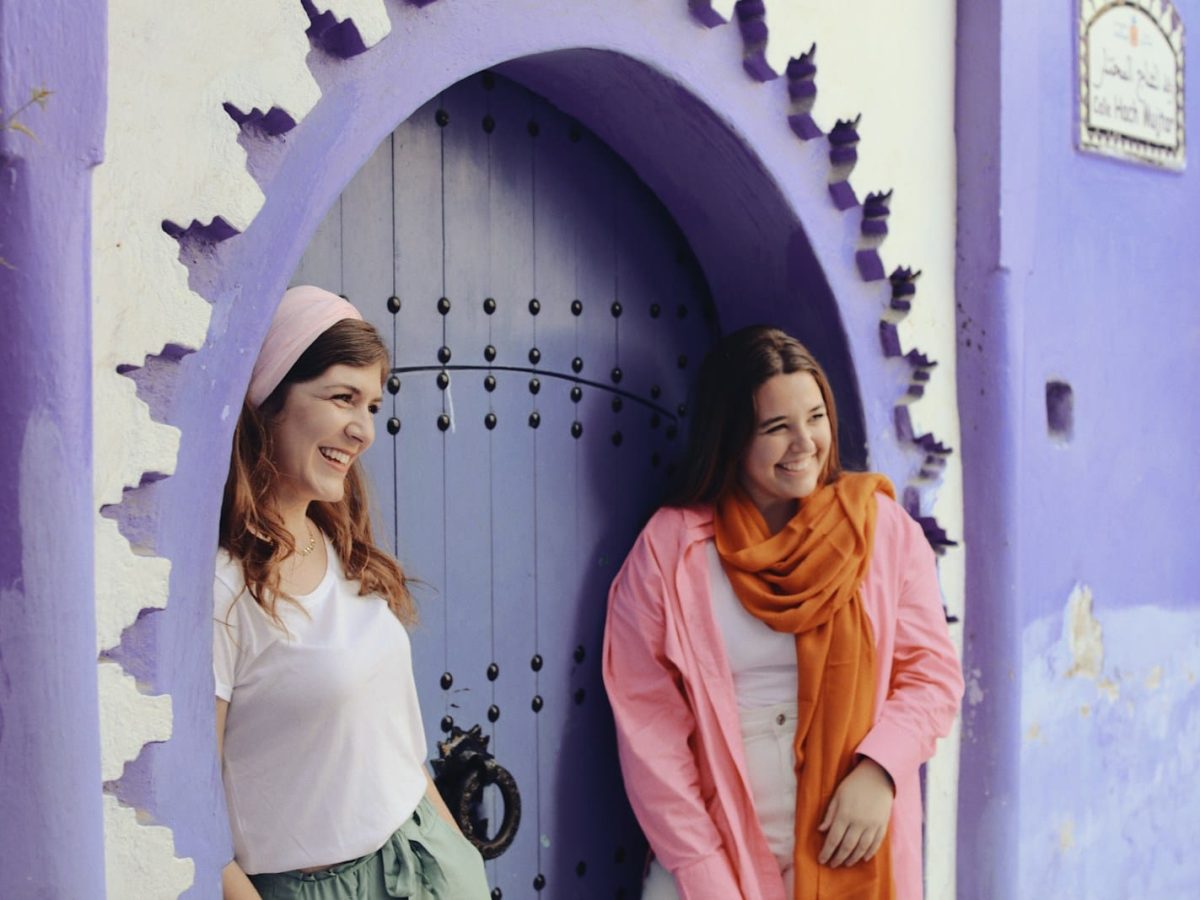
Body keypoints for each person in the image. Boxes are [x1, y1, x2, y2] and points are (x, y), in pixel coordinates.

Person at [602, 326, 964, 900]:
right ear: (731, 438)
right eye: (777, 428)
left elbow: (932, 675)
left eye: (815, 417)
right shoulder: (671, 550)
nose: (806, 444)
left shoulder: (880, 530)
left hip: (850, 840)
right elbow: (650, 730)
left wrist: (882, 769)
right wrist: (706, 874)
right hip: (719, 849)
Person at [213, 285, 490, 900]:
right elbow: (193, 811)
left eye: (370, 405)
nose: (362, 429)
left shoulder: (341, 549)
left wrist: (462, 863)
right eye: (343, 397)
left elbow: (400, 751)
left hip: (425, 857)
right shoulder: (226, 589)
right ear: (271, 398)